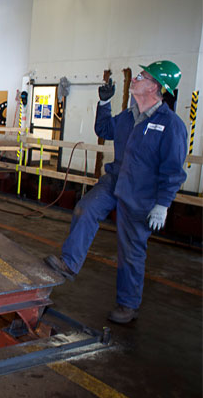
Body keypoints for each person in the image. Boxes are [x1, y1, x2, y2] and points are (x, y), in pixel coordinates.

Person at [44, 60, 187, 324]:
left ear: (155, 86)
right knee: (85, 208)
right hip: (115, 179)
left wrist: (162, 204)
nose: (135, 79)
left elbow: (174, 171)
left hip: (142, 193)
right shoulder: (128, 115)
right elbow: (104, 129)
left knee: (131, 249)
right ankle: (69, 263)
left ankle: (128, 305)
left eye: (141, 77)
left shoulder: (171, 125)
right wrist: (104, 103)